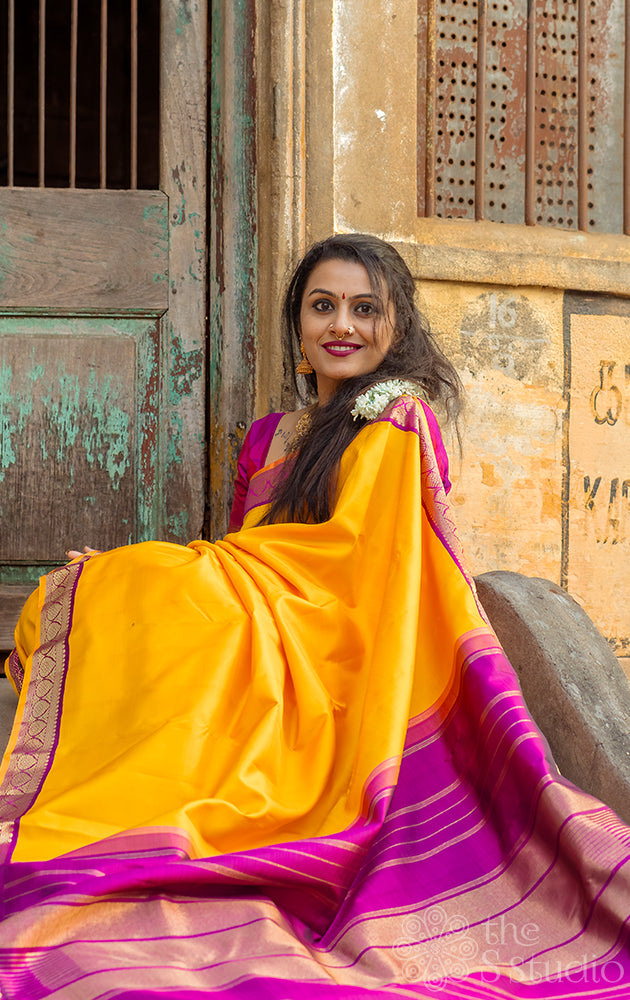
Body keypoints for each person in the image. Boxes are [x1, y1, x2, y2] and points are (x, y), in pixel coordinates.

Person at [1, 234, 629, 999]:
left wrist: (179, 574)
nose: (343, 325)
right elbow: (249, 556)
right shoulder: (269, 438)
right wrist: (156, 576)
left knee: (139, 579)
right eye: (322, 306)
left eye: (366, 309)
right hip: (272, 633)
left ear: (397, 325)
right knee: (104, 587)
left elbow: (361, 554)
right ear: (298, 327)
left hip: (349, 639)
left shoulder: (399, 417)